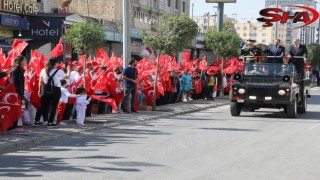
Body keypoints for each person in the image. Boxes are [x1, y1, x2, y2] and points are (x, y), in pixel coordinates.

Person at [34, 58, 71, 127]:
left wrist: (39, 90)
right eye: (57, 63)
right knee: (53, 106)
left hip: (45, 89)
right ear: (55, 64)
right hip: (56, 89)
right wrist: (68, 70)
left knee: (42, 105)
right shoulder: (58, 71)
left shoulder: (43, 70)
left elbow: (40, 81)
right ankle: (50, 122)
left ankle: (36, 120)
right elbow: (67, 77)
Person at [10, 56, 28, 130]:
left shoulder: (20, 70)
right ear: (20, 61)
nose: (26, 61)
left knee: (18, 108)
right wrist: (17, 92)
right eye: (25, 60)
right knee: (16, 109)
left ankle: (15, 125)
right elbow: (13, 82)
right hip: (16, 92)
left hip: (19, 92)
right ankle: (13, 126)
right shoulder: (16, 70)